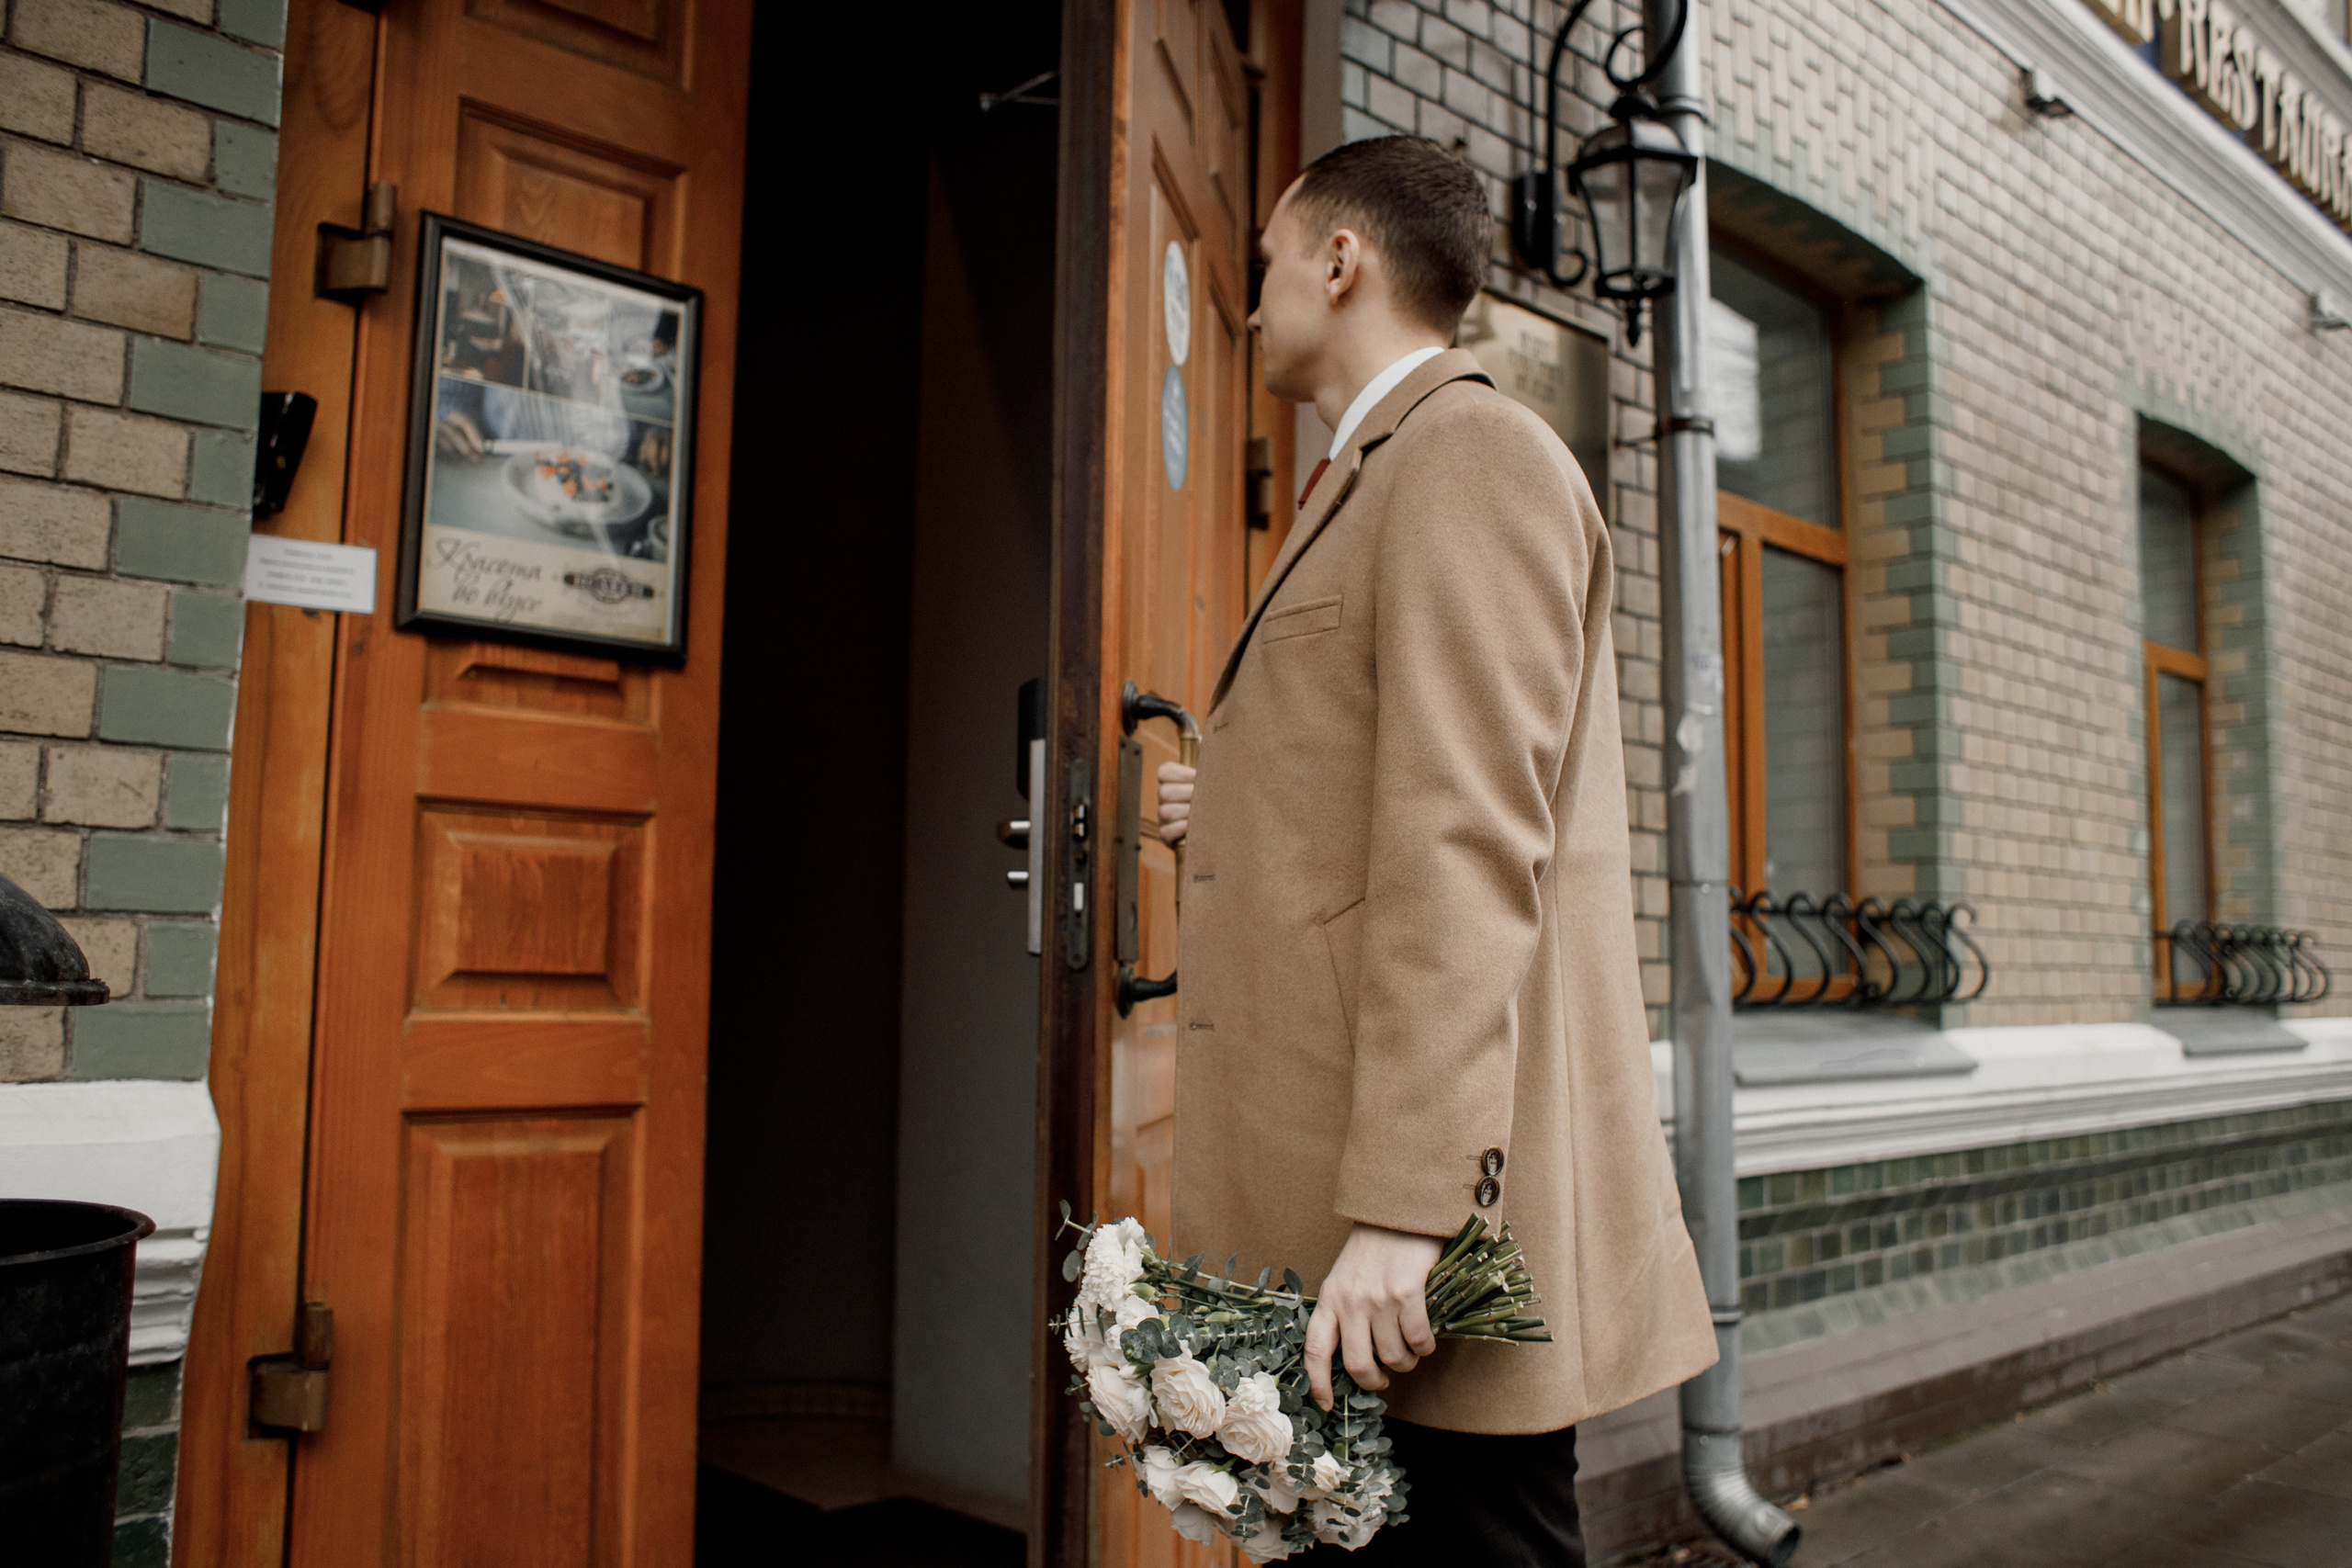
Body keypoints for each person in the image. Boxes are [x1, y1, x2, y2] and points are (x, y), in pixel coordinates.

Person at [1157, 135, 1715, 1565]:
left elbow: (1468, 837)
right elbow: (1392, 787)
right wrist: (1229, 814)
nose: (1249, 301)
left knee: (1474, 1544)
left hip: (1425, 1205)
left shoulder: (1468, 455)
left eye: (1271, 263)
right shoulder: (1382, 470)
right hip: (1362, 1178)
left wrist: (1410, 1212)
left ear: (1342, 262)